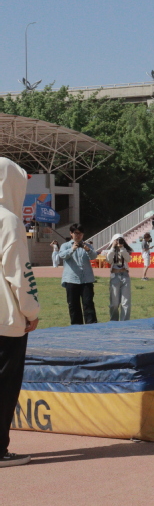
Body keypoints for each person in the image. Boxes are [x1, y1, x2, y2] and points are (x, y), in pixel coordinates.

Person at [0, 158, 41, 468]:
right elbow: (20, 275)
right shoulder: (9, 221)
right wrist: (31, 311)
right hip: (5, 321)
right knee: (4, 386)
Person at [59, 223, 98, 325]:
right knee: (73, 304)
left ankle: (91, 325)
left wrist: (88, 249)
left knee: (88, 303)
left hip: (86, 279)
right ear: (71, 233)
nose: (78, 235)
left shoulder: (87, 245)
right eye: (76, 233)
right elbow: (62, 255)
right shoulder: (65, 245)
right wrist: (72, 249)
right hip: (71, 279)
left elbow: (94, 256)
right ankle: (76, 326)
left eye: (80, 233)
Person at [102, 234, 133, 321]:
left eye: (121, 240)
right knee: (114, 303)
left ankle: (125, 322)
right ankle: (114, 321)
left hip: (125, 275)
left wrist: (122, 248)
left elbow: (128, 259)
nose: (119, 242)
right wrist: (113, 247)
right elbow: (109, 260)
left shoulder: (125, 250)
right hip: (115, 276)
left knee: (125, 302)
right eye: (117, 240)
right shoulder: (110, 250)